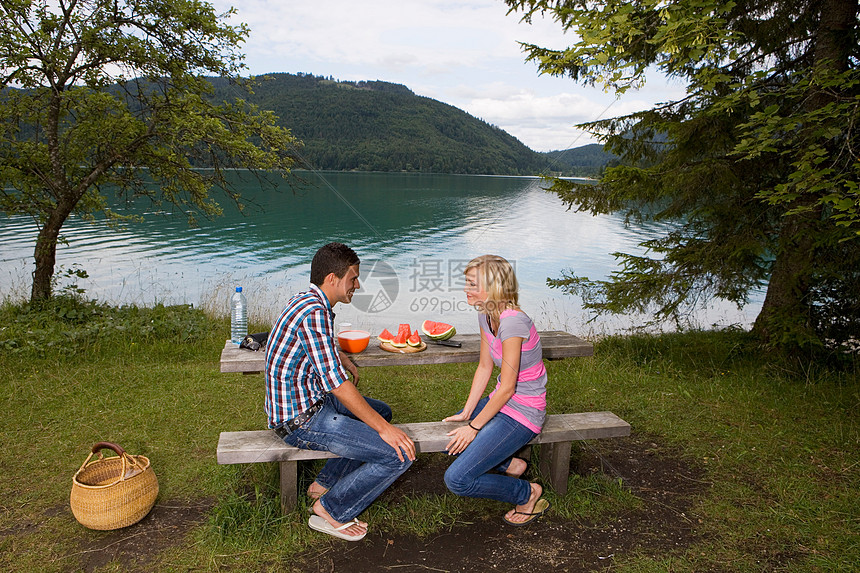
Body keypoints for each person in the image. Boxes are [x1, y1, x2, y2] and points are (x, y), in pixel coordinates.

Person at [265, 242, 416, 541]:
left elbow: (314, 346)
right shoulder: (315, 313)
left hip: (307, 404)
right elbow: (337, 384)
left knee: (381, 410)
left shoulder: (307, 300)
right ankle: (331, 509)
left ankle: (324, 482)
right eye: (353, 278)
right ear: (332, 279)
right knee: (399, 454)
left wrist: (339, 355)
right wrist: (385, 430)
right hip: (301, 421)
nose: (357, 285)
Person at [443, 254, 550, 525]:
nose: (465, 289)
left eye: (471, 284)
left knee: (457, 479)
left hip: (524, 412)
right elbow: (483, 367)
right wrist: (467, 412)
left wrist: (474, 427)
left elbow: (509, 387)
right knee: (449, 442)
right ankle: (511, 465)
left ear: (494, 288)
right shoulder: (485, 315)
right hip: (501, 402)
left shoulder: (513, 322)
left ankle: (527, 493)